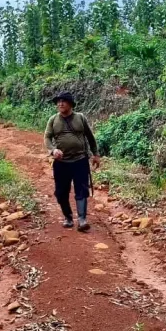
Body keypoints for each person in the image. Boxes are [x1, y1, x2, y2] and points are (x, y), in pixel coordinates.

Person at [44, 91, 101, 232]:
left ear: (70, 104)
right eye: (58, 101)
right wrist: (53, 150)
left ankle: (82, 220)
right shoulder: (53, 120)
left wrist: (96, 154)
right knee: (61, 192)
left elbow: (90, 136)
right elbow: (47, 138)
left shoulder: (80, 118)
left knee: (81, 189)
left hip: (80, 160)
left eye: (63, 101)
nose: (60, 103)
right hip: (61, 162)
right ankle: (68, 217)